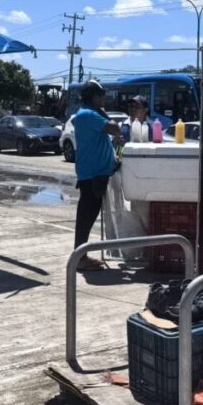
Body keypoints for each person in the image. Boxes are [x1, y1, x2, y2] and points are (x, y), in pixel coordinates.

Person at [73, 80, 123, 269]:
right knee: (86, 218)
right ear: (94, 97)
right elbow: (115, 128)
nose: (104, 98)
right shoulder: (89, 114)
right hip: (92, 175)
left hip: (95, 174)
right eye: (101, 95)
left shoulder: (89, 114)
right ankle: (80, 258)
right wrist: (102, 111)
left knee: (87, 216)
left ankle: (81, 256)